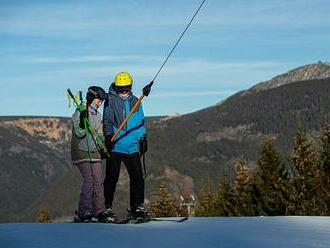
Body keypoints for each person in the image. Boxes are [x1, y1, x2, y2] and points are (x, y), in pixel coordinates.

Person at [103, 72, 148, 219]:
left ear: (130, 87)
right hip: (116, 145)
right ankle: (107, 207)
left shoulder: (136, 101)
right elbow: (108, 120)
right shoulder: (110, 100)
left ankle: (136, 207)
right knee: (111, 178)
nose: (123, 92)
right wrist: (108, 136)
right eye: (120, 89)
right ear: (116, 88)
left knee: (138, 178)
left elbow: (140, 122)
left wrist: (143, 138)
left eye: (126, 89)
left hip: (132, 146)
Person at [71, 86, 114, 223]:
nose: (100, 103)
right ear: (91, 98)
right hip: (82, 151)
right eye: (98, 99)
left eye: (101, 100)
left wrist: (104, 146)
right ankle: (84, 210)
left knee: (98, 180)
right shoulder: (80, 111)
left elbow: (99, 134)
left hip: (95, 151)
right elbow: (79, 133)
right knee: (89, 180)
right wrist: (83, 125)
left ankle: (99, 210)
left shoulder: (97, 114)